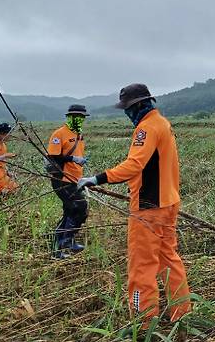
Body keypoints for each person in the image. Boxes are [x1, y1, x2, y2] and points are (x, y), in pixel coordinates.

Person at [77, 83, 191, 324]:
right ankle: (181, 313)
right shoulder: (163, 123)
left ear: (138, 105)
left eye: (128, 109)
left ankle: (143, 320)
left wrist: (97, 178)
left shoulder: (146, 128)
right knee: (168, 259)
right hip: (169, 203)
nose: (127, 114)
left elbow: (134, 165)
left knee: (141, 267)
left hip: (149, 208)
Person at [47, 105, 89, 258]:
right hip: (61, 179)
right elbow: (53, 156)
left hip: (74, 178)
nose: (81, 119)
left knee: (72, 211)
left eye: (83, 117)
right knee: (78, 207)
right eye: (77, 116)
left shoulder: (79, 134)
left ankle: (67, 242)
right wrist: (73, 158)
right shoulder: (59, 134)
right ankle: (58, 247)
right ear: (70, 117)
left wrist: (79, 162)